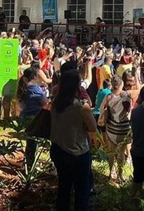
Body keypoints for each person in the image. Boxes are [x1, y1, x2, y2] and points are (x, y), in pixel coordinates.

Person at [50, 69, 97, 211]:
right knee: (82, 190)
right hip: (78, 153)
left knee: (64, 187)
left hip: (58, 150)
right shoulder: (81, 107)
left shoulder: (55, 103)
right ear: (77, 85)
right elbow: (93, 127)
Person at [101, 76, 132, 182]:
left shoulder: (108, 97)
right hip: (123, 128)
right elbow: (128, 112)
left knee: (111, 152)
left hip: (111, 128)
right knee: (121, 153)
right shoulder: (126, 96)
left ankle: (110, 173)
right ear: (121, 84)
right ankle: (120, 175)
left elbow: (103, 110)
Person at [17, 67, 49, 170]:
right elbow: (45, 103)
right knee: (33, 142)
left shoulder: (23, 87)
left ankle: (28, 162)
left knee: (30, 142)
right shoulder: (35, 89)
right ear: (35, 76)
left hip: (25, 117)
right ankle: (30, 165)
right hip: (35, 118)